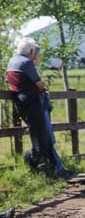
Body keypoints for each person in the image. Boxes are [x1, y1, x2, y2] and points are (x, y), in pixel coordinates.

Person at [5, 38, 60, 177]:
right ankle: (33, 161)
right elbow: (38, 83)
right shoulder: (27, 62)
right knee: (41, 136)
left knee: (37, 134)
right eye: (34, 50)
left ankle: (41, 167)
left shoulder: (12, 61)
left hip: (20, 103)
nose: (35, 53)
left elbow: (9, 80)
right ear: (30, 51)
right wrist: (44, 92)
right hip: (32, 103)